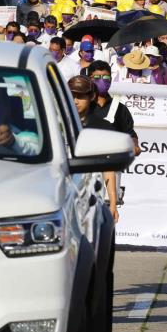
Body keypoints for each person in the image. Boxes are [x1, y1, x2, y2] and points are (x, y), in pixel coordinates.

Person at [67, 75, 120, 222]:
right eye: (71, 95)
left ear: (91, 96)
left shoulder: (103, 128)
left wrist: (113, 205)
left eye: (80, 96)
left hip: (90, 202)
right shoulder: (53, 124)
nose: (75, 101)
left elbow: (108, 169)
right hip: (59, 198)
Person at [87, 60, 142, 156]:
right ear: (89, 79)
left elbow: (130, 134)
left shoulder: (120, 108)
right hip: (86, 161)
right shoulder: (83, 105)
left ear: (111, 79)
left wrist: (135, 145)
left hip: (111, 163)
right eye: (97, 77)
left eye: (106, 77)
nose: (102, 81)